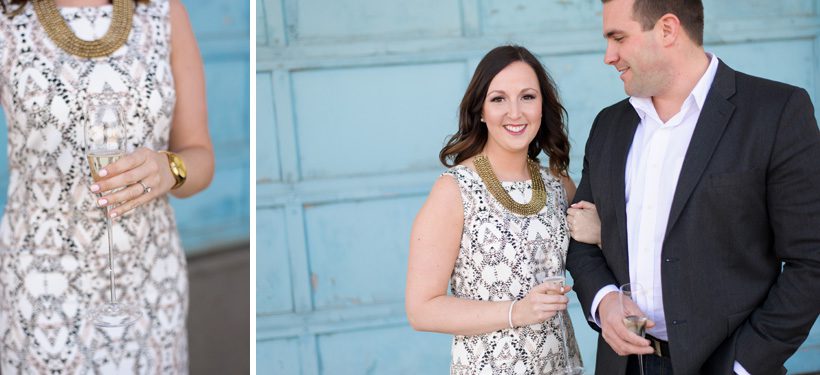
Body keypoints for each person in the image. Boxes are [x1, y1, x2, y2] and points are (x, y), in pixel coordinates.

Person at [565, 0, 820, 374]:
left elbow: (812, 259)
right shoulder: (608, 126)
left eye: (618, 37)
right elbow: (581, 237)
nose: (609, 56)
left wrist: (744, 364)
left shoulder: (776, 112)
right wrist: (604, 300)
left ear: (668, 30)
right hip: (625, 366)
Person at [0, 0, 213, 372]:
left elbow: (201, 157)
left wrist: (170, 168)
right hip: (42, 288)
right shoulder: (8, 17)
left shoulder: (164, 11)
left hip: (151, 280)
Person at [405, 45, 589, 374]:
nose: (515, 113)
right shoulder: (455, 189)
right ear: (480, 110)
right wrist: (516, 311)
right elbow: (421, 310)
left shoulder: (559, 185)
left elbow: (594, 262)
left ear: (542, 106)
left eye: (528, 97)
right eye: (498, 99)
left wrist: (600, 234)